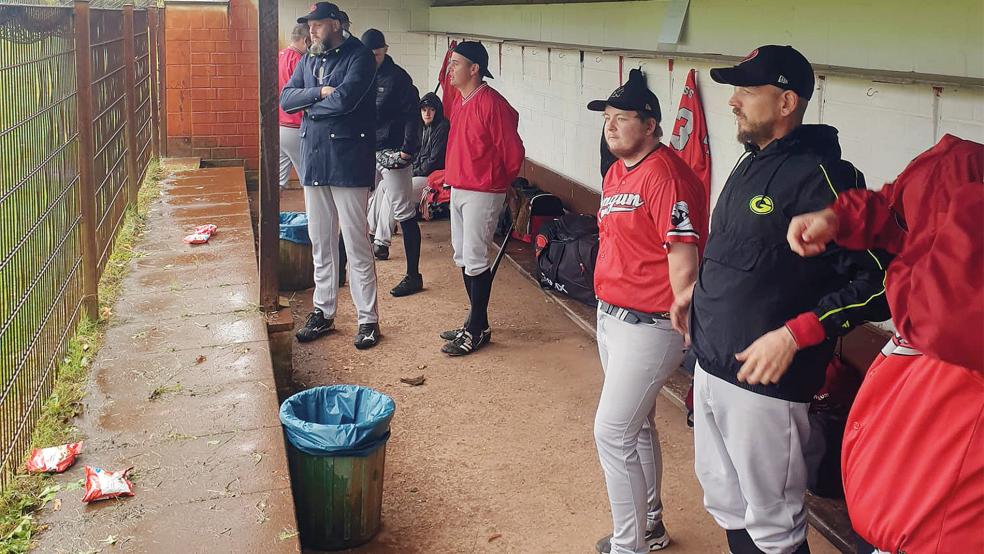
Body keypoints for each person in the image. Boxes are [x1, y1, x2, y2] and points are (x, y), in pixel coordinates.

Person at [686, 45, 892, 554]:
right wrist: (696, 293)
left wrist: (795, 333)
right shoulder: (750, 161)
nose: (731, 101)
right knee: (727, 503)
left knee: (773, 527)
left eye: (746, 90)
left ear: (786, 102)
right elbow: (746, 253)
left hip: (767, 384)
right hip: (712, 362)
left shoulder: (826, 177)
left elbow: (882, 284)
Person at [787, 134, 983, 554]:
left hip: (941, 537)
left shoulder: (950, 304)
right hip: (906, 526)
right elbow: (894, 205)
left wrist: (915, 242)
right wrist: (840, 219)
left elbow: (937, 312)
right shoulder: (960, 175)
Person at [586, 69, 708, 554]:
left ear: (652, 124)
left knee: (611, 431)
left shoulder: (667, 176)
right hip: (611, 315)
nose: (610, 126)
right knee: (636, 428)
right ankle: (650, 524)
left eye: (622, 118)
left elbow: (684, 257)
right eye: (607, 119)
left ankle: (627, 545)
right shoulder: (618, 171)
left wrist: (685, 314)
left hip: (650, 325)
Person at [280, 2, 381, 350]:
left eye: (318, 25)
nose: (312, 32)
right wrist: (319, 94)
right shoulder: (309, 58)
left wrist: (311, 106)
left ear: (337, 24)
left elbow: (346, 102)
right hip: (315, 160)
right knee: (320, 239)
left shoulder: (359, 56)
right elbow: (286, 99)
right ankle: (323, 312)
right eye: (309, 26)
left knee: (355, 242)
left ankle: (368, 319)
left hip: (349, 160)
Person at [438, 41, 524, 356]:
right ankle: (478, 323)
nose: (450, 68)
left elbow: (513, 152)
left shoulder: (492, 103)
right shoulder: (461, 100)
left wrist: (504, 186)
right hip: (459, 185)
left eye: (456, 63)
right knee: (463, 257)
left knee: (475, 259)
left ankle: (475, 329)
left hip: (483, 190)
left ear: (474, 69)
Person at [360, 28, 426, 298]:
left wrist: (408, 150)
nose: (372, 59)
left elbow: (413, 116)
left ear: (385, 50)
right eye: (369, 55)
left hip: (393, 150)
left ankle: (413, 275)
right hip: (365, 148)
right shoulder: (358, 72)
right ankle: (343, 266)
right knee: (354, 205)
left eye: (376, 54)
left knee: (404, 212)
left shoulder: (398, 78)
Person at [278, 24, 310, 188]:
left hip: (279, 126)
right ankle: (314, 215)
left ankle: (269, 213)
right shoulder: (300, 60)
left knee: (279, 180)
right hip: (296, 126)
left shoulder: (278, 56)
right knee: (309, 178)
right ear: (305, 40)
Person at [412, 92, 450, 198]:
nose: (427, 114)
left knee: (398, 191)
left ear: (437, 111)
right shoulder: (422, 127)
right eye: (424, 110)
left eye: (431, 110)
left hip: (434, 177)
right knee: (384, 185)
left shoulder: (442, 127)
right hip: (420, 174)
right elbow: (416, 153)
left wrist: (414, 172)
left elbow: (434, 161)